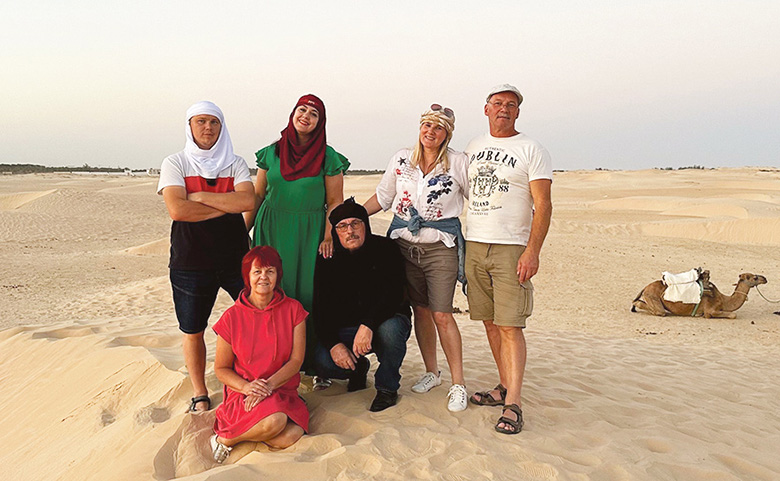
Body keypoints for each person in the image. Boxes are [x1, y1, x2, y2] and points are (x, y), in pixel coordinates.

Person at [364, 104, 469, 412]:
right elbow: (384, 197)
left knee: (442, 314)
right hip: (403, 246)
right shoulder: (401, 159)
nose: (430, 131)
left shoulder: (458, 162)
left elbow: (476, 198)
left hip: (440, 246)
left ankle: (458, 384)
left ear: (447, 134)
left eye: (438, 127)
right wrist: (350, 215)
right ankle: (432, 372)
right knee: (420, 310)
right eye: (426, 125)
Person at [464, 84, 552, 434]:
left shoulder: (532, 149)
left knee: (511, 326)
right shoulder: (473, 147)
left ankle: (513, 403)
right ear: (486, 108)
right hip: (475, 244)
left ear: (518, 112)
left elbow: (543, 204)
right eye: (498, 103)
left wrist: (533, 251)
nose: (504, 108)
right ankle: (503, 386)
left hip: (511, 247)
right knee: (489, 322)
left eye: (511, 104)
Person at [158, 101, 255, 413]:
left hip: (236, 259)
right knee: (193, 329)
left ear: (221, 127)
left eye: (214, 122)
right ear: (190, 126)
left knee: (255, 318)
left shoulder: (235, 163)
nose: (208, 128)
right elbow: (178, 209)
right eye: (200, 121)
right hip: (190, 262)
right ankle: (200, 393)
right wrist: (225, 204)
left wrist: (199, 197)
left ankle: (253, 380)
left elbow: (247, 201)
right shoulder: (175, 162)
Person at [245, 94, 349, 382]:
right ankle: (271, 363)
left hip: (309, 233)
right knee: (271, 291)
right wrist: (244, 229)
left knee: (307, 296)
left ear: (320, 122)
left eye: (314, 114)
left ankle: (313, 366)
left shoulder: (328, 157)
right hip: (271, 229)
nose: (306, 116)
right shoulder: (271, 153)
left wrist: (328, 236)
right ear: (292, 114)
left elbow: (335, 201)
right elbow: (258, 194)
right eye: (302, 110)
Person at [209, 246, 308, 463]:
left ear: (277, 275)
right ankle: (225, 440)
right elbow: (221, 369)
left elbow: (296, 360)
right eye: (257, 272)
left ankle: (237, 436)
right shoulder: (231, 317)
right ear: (248, 276)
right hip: (244, 392)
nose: (264, 277)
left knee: (290, 436)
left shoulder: (294, 309)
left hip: (281, 388)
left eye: (270, 271)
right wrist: (247, 387)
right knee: (276, 421)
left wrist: (269, 386)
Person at [312, 198, 412, 412]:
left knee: (391, 331)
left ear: (365, 225)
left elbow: (394, 295)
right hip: (346, 329)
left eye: (355, 223)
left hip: (383, 322)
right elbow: (320, 309)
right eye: (342, 226)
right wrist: (335, 345)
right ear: (335, 232)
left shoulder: (386, 248)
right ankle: (357, 369)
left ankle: (387, 388)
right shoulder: (327, 259)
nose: (350, 231)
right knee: (322, 360)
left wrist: (368, 325)